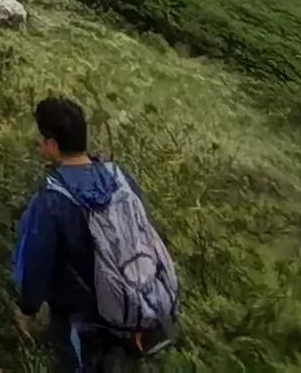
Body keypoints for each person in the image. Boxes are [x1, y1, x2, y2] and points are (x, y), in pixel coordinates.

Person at [11, 95, 181, 367]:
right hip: (132, 316)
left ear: (53, 145)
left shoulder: (52, 199)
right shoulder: (121, 177)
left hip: (81, 327)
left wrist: (27, 307)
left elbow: (35, 263)